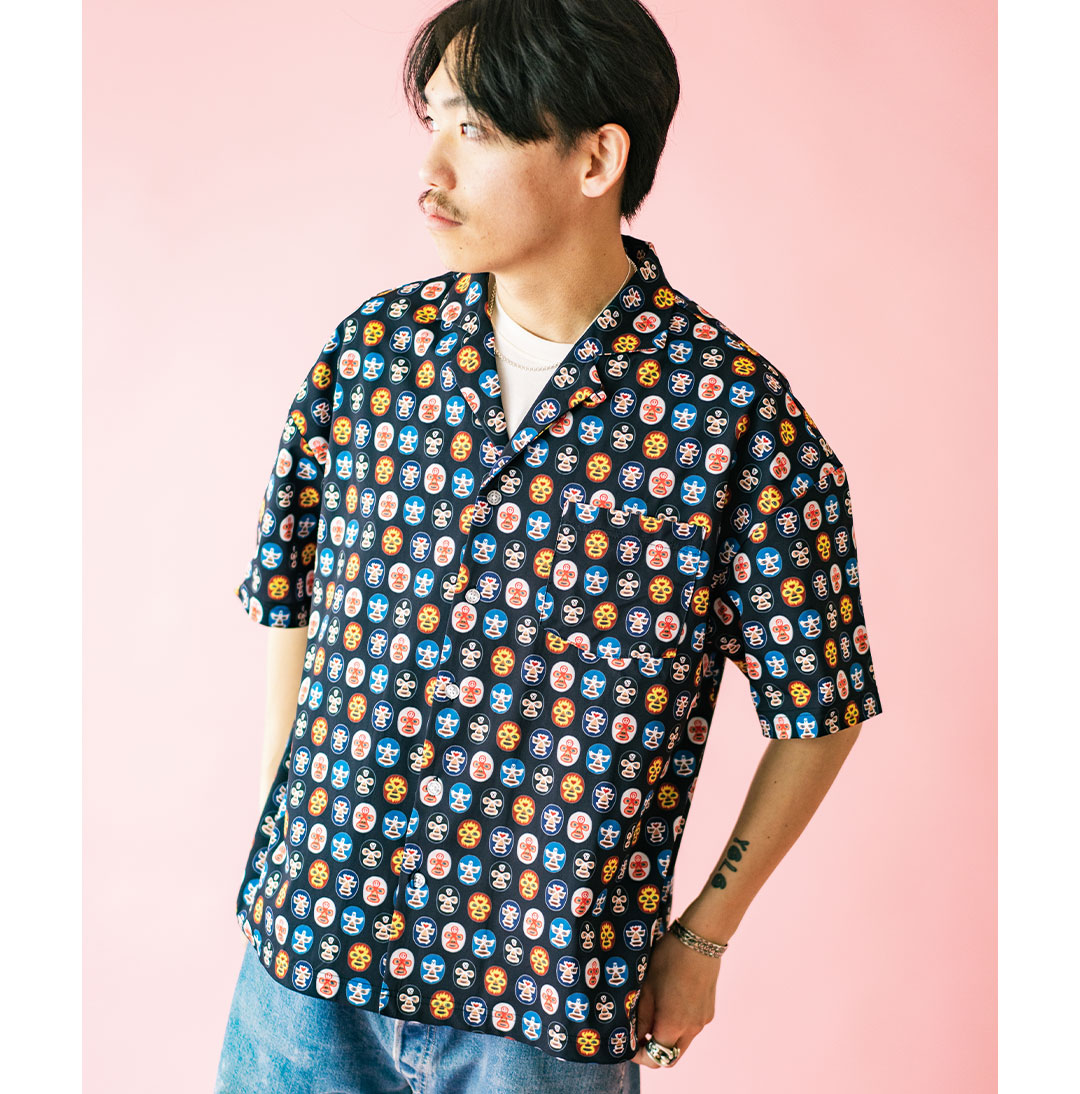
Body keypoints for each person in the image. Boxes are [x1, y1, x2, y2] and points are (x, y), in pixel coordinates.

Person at [213, 1, 885, 1090]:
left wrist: (704, 935)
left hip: (544, 1002)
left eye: (475, 131)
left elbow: (824, 698)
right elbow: (288, 589)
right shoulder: (373, 352)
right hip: (305, 968)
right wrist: (279, 823)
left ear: (596, 159)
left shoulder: (734, 420)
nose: (432, 168)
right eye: (434, 123)